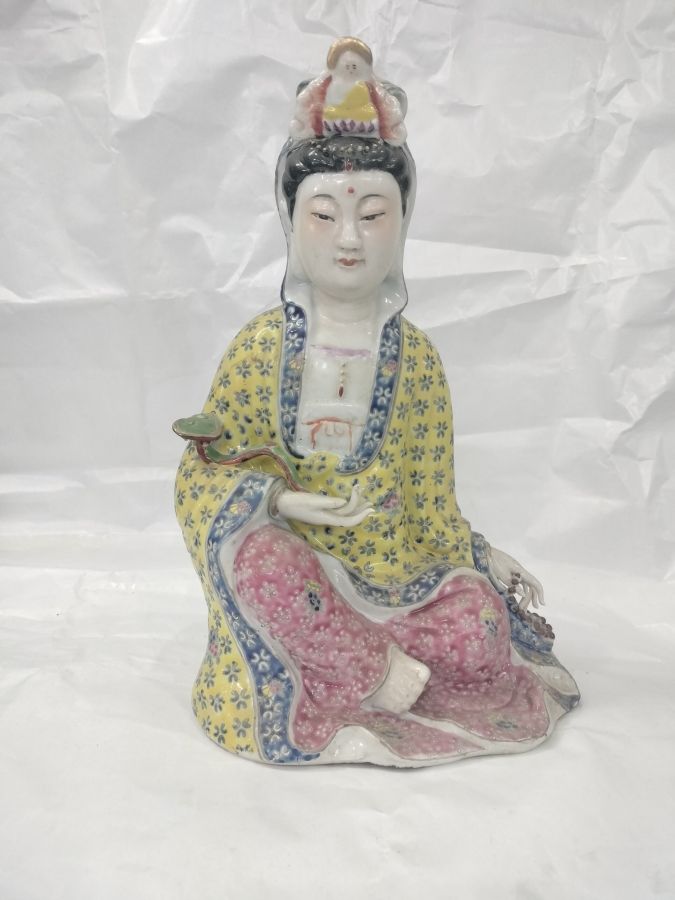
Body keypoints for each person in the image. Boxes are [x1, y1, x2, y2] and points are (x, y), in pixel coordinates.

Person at [174, 39, 579, 767]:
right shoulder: (263, 349)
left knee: (478, 623)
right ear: (291, 222)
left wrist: (483, 556)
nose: (350, 239)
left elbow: (432, 500)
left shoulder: (414, 360)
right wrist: (280, 502)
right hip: (302, 570)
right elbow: (204, 471)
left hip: (393, 575)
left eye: (372, 214)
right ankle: (370, 670)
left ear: (403, 223)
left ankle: (363, 661)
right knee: (261, 562)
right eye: (324, 215)